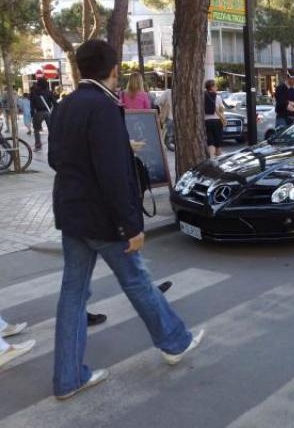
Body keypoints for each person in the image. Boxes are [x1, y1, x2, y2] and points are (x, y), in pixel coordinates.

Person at [48, 39, 203, 401]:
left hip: (71, 215)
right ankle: (175, 342)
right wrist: (131, 225)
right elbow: (114, 174)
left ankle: (67, 378)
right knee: (138, 282)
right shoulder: (103, 106)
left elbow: (58, 159)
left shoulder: (65, 104)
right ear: (113, 69)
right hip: (104, 219)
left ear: (80, 68)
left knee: (72, 294)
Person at [30, 78, 56, 151]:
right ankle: (54, 145)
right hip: (48, 112)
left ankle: (38, 146)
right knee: (51, 130)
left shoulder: (34, 92)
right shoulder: (49, 92)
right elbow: (55, 103)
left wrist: (32, 115)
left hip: (38, 113)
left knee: (36, 130)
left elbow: (32, 105)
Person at [204, 79, 225, 158]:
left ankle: (211, 157)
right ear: (212, 87)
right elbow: (221, 109)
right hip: (216, 121)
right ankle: (218, 159)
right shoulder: (218, 97)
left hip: (206, 121)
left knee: (210, 141)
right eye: (215, 86)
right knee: (218, 142)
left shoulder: (203, 96)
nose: (216, 87)